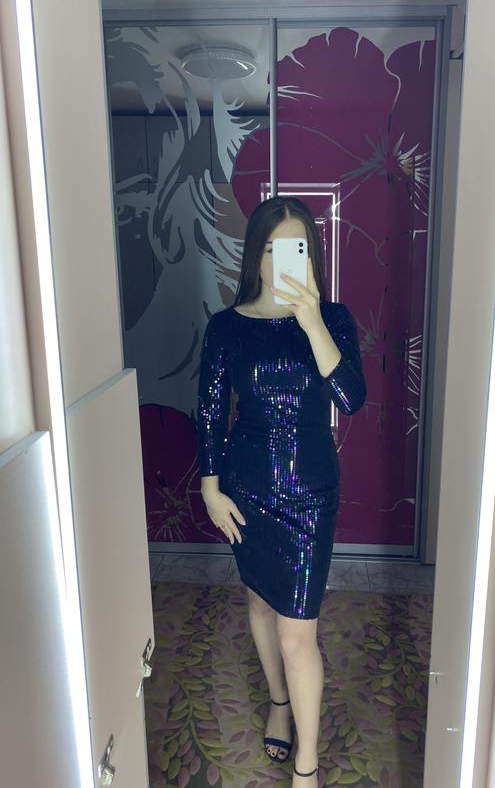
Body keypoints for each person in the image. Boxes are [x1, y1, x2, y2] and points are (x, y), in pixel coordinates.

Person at [196, 196, 366, 786]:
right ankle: (278, 702)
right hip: (246, 489)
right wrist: (210, 488)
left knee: (298, 632)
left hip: (310, 494)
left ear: (310, 256)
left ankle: (307, 765)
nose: (279, 260)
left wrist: (312, 321)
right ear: (255, 255)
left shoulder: (334, 319)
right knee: (261, 604)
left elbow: (350, 398)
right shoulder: (227, 327)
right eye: (269, 248)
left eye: (293, 248)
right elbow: (211, 411)